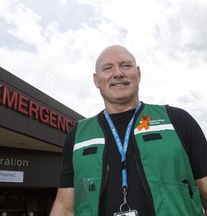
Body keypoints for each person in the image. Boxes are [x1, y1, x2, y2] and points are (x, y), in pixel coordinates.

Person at [50, 45, 207, 216]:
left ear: (138, 73)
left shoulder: (177, 121)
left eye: (125, 65)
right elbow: (65, 207)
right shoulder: (78, 136)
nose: (117, 73)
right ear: (96, 80)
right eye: (107, 68)